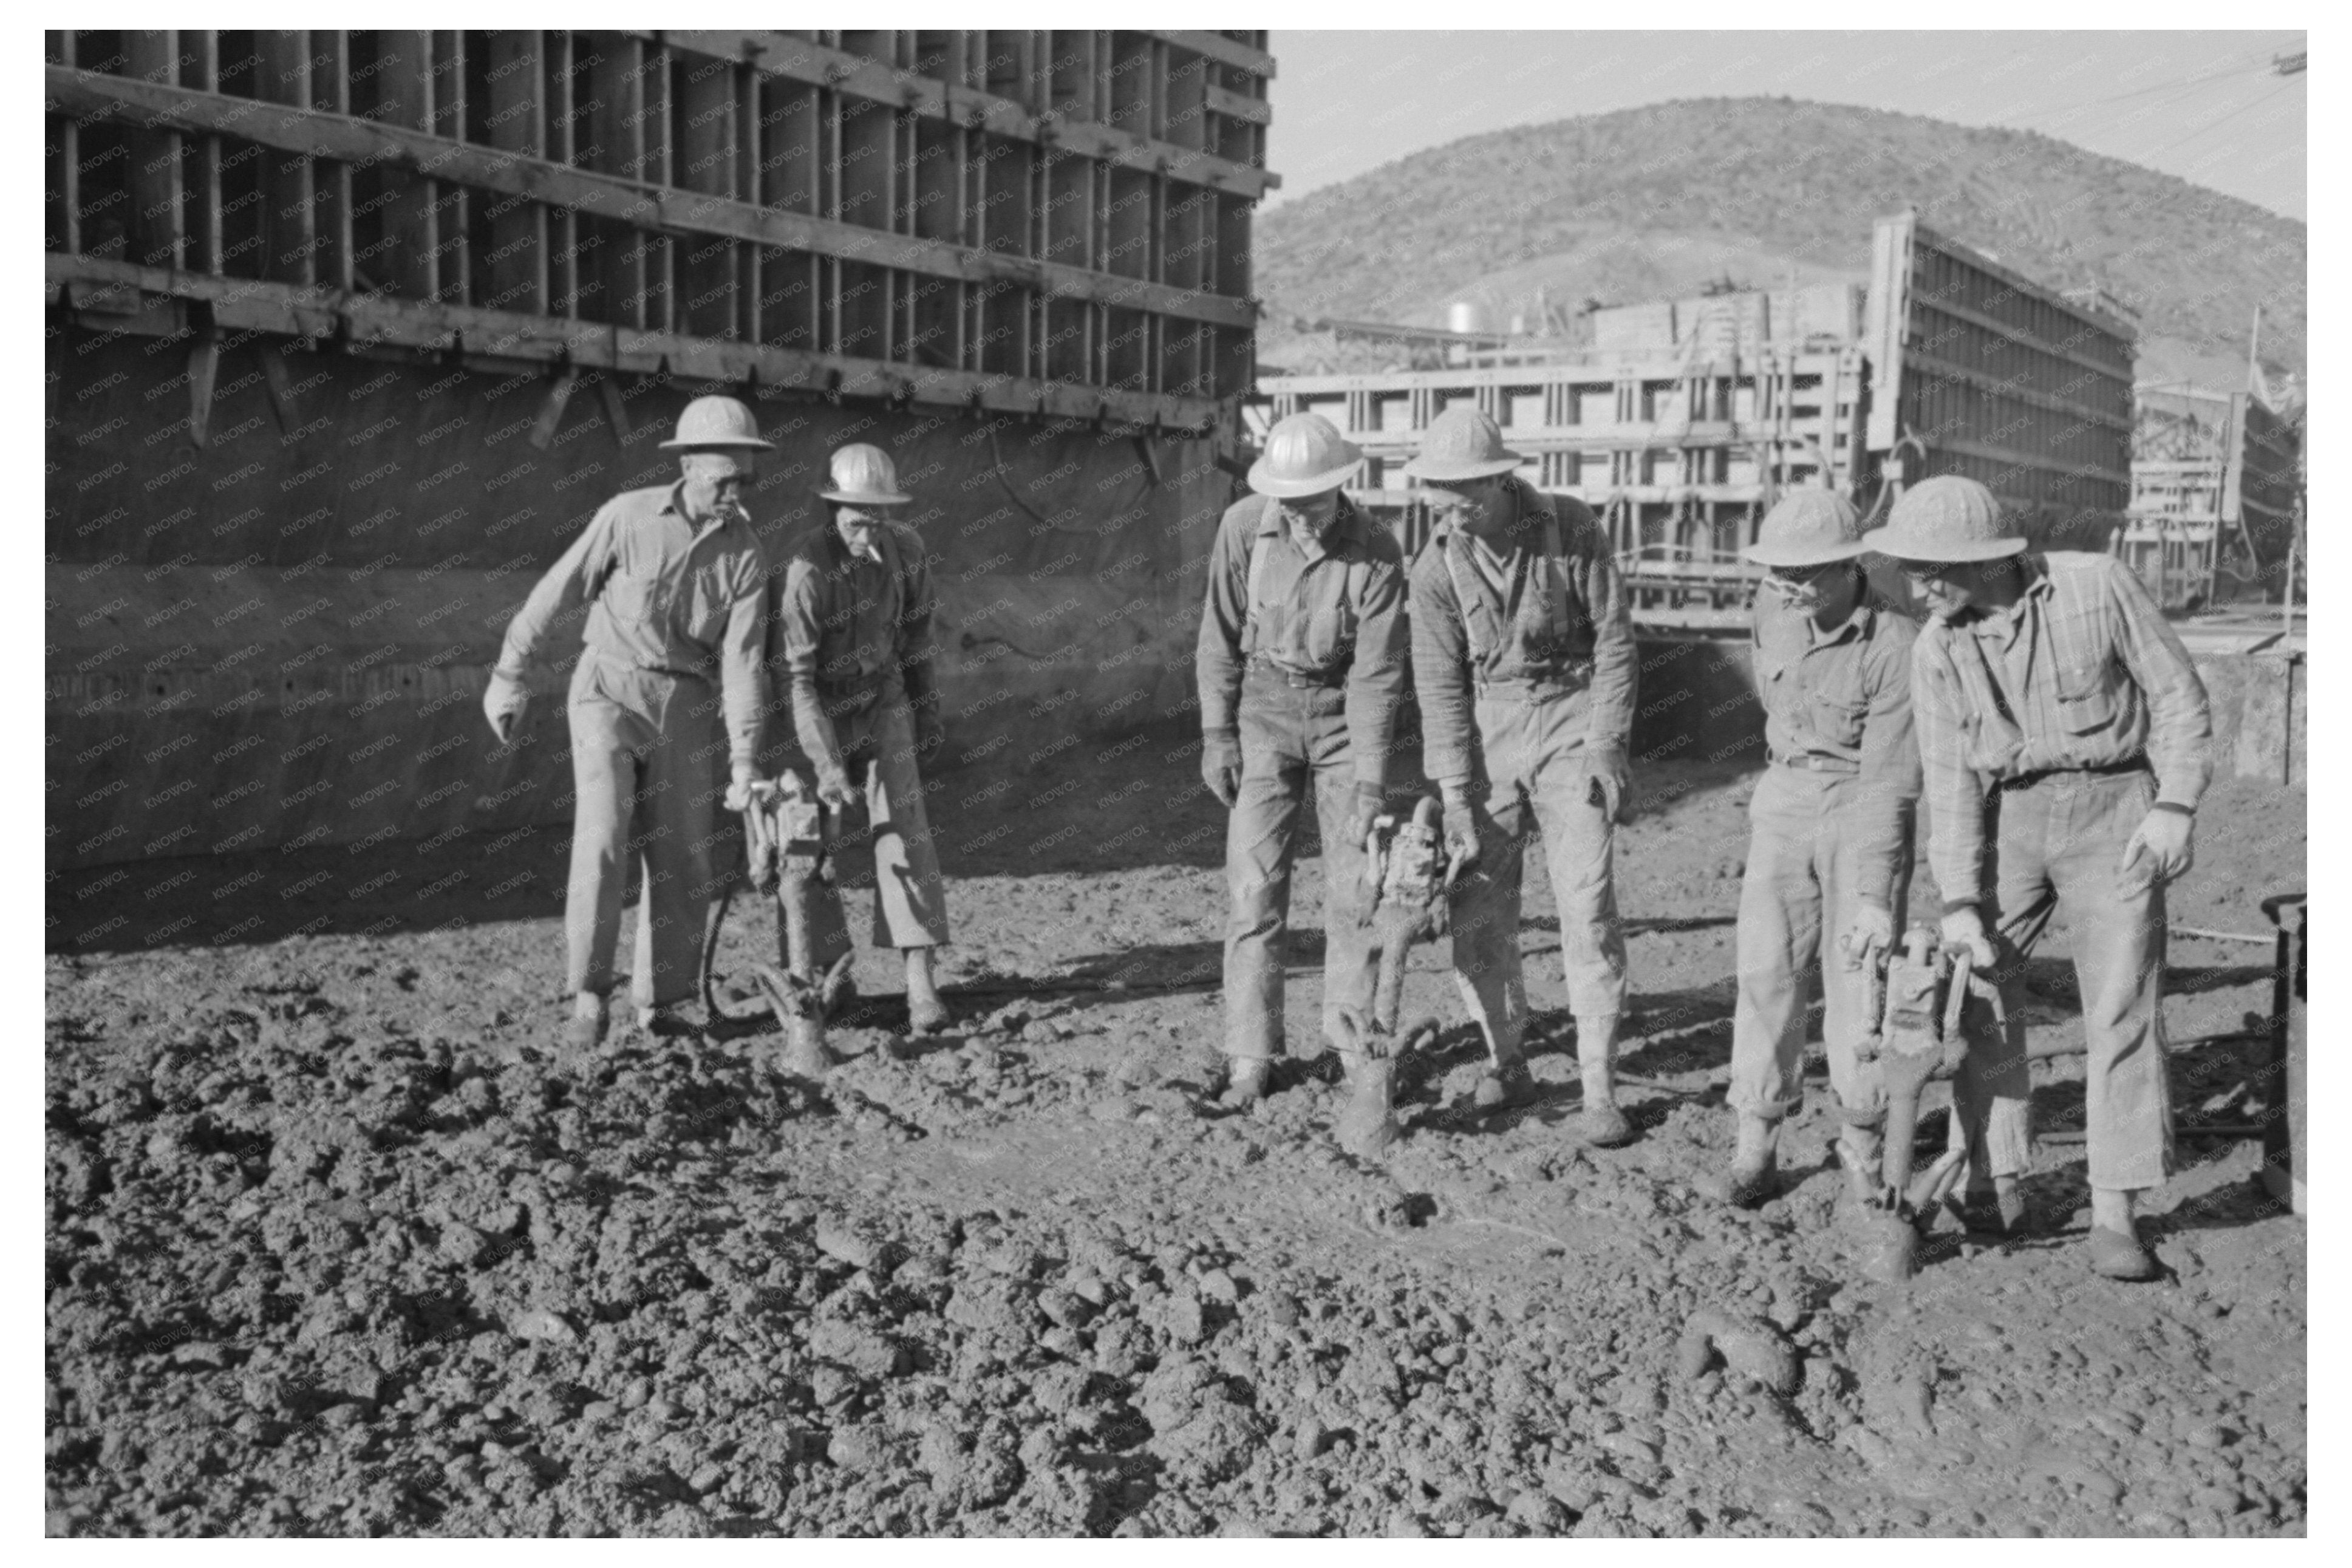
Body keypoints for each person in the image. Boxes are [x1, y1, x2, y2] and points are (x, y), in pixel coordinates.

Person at [1867, 475, 2212, 1281]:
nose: (1916, 591)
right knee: (1978, 991)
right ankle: (1995, 1180)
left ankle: (2115, 1211)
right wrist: (1959, 900)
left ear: (1987, 559)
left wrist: (2175, 804)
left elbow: (2177, 697)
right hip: (2009, 820)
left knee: (2121, 1006)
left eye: (1929, 571)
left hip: (2114, 807)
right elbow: (1950, 780)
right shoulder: (1936, 647)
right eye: (1909, 571)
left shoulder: (2097, 586)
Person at [484, 395, 775, 1052]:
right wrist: (509, 673)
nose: (735, 492)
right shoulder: (626, 516)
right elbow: (557, 590)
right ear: (689, 467)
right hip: (607, 690)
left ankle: (664, 1002)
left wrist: (744, 760)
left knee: (684, 854)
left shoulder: (747, 556)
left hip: (686, 705)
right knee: (603, 839)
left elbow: (744, 663)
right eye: (724, 479)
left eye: (745, 479)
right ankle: (590, 995)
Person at [1404, 406, 1639, 1142]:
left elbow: (1615, 641)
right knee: (1478, 906)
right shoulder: (1434, 568)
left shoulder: (1569, 526)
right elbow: (1440, 688)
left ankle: (1598, 1085)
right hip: (1489, 732)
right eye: (1438, 494)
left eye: (1465, 495)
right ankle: (1508, 1061)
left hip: (1572, 717)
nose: (1449, 509)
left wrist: (1606, 743)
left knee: (1587, 903)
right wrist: (1454, 795)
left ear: (1501, 481)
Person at [1197, 412, 1408, 1105]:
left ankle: (1348, 1046)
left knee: (1355, 890)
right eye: (1287, 502)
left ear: (1340, 487)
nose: (1299, 515)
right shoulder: (1242, 529)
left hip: (1343, 720)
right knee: (1253, 892)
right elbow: (1218, 635)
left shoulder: (1377, 549)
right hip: (1264, 714)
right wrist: (1217, 735)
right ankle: (1249, 1056)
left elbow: (1377, 675)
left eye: (1311, 503)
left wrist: (1371, 786)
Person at [1717, 490, 1921, 1208]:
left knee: (1859, 979)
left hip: (1859, 802)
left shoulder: (1894, 643)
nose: (1786, 586)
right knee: (1765, 968)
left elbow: (1892, 780)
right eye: (1776, 571)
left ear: (1848, 567)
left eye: (1802, 574)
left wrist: (1875, 894)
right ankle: (1756, 1137)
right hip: (1783, 794)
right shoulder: (1772, 606)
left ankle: (1862, 1138)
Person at [770, 441, 952, 1034]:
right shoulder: (804, 571)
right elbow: (795, 679)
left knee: (906, 831)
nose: (866, 531)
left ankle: (920, 978)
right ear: (832, 510)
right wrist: (827, 767)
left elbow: (918, 638)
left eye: (877, 518)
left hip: (882, 699)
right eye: (854, 520)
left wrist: (927, 712)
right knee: (808, 841)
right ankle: (827, 974)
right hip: (817, 707)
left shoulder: (907, 550)